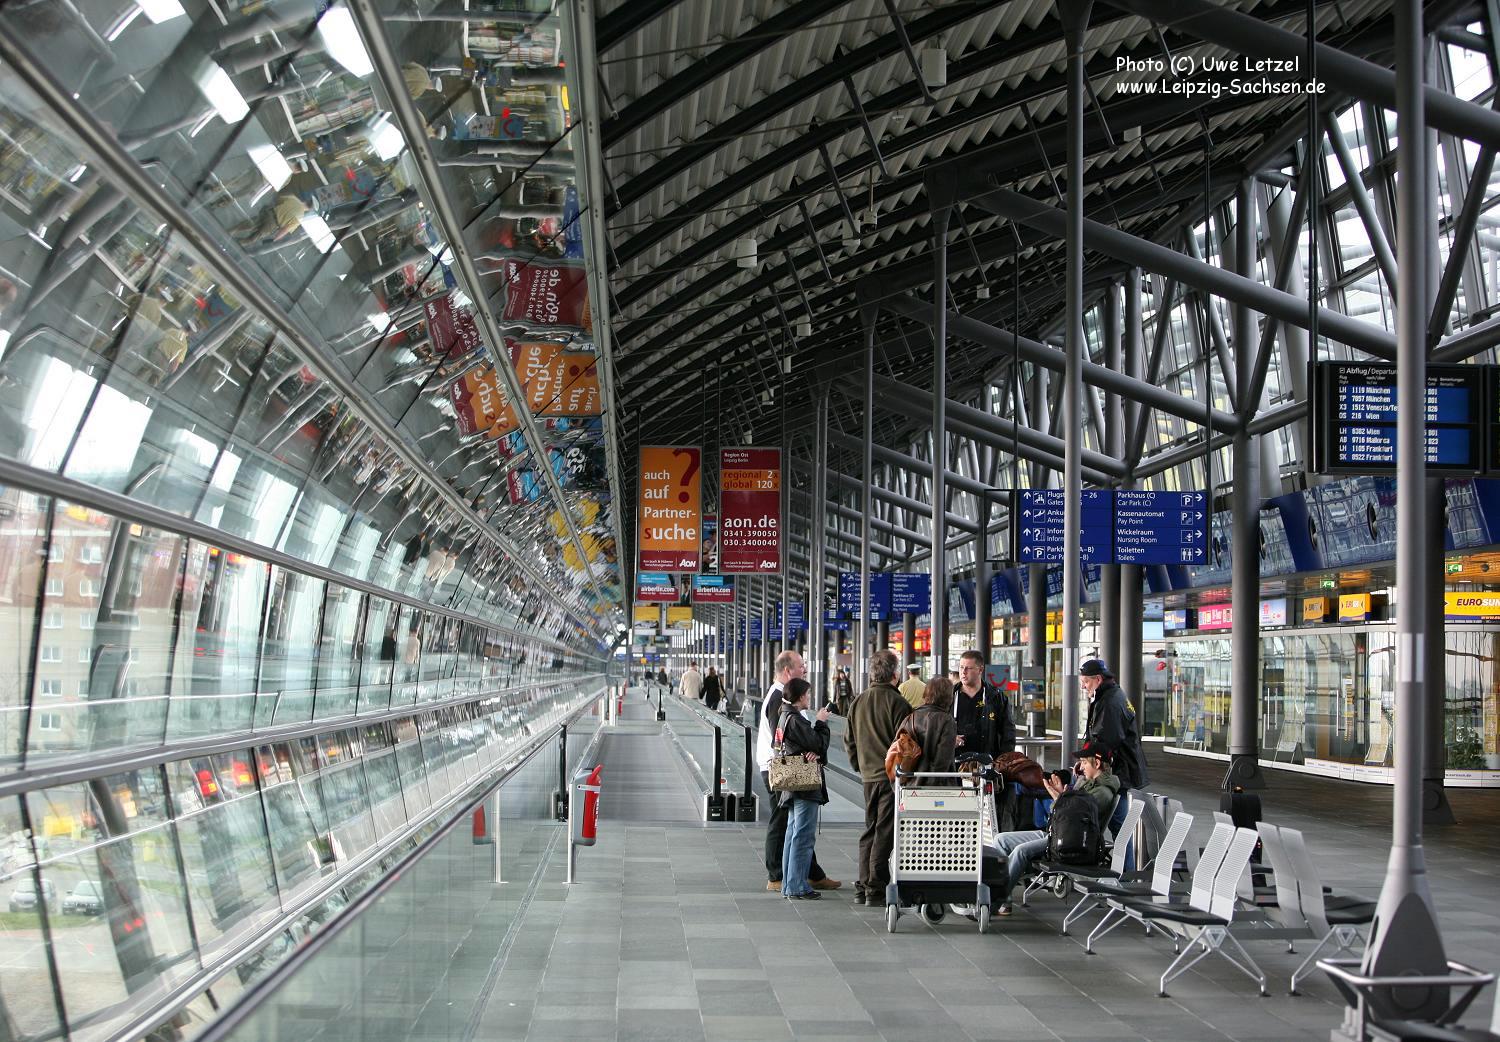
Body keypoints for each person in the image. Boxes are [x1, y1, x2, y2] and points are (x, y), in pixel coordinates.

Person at [990, 739, 1121, 915]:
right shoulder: (1086, 784)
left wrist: (1058, 797)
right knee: (1001, 839)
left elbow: (1072, 818)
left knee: (1021, 851)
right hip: (1055, 832)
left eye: (1083, 762)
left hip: (1069, 841)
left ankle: (995, 899)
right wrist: (1064, 793)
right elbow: (1067, 810)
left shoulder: (1102, 793)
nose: (1080, 767)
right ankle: (1004, 898)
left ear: (1097, 763)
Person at [755, 651, 839, 892]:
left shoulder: (785, 698)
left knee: (797, 825)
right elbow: (782, 738)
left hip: (788, 767)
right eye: (801, 666)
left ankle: (810, 873)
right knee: (784, 824)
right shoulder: (778, 699)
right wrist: (807, 747)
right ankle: (777, 875)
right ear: (787, 671)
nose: (805, 669)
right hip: (782, 770)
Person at [843, 649, 912, 907]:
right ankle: (875, 887)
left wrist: (859, 766)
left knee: (870, 829)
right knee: (884, 831)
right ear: (895, 675)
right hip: (889, 778)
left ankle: (862, 886)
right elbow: (904, 745)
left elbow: (848, 740)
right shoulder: (899, 704)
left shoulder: (857, 701)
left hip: (868, 778)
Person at [776, 678, 831, 900]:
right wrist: (821, 723)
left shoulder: (784, 716)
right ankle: (797, 885)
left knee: (792, 832)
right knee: (803, 836)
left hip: (792, 781)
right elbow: (818, 743)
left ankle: (790, 884)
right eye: (807, 695)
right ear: (800, 697)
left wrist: (812, 751)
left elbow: (808, 747)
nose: (809, 698)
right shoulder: (796, 719)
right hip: (804, 784)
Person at [1080, 659, 1150, 790]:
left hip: (1121, 773)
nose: (1083, 687)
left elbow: (1105, 741)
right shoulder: (1111, 695)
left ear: (1098, 680)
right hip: (1125, 770)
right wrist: (1085, 760)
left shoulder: (1109, 702)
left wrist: (1087, 762)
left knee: (1117, 808)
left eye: (1086, 682)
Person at [953, 650, 1016, 759]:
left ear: (980, 670)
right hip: (955, 762)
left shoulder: (996, 697)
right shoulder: (950, 696)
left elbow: (1008, 732)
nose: (963, 672)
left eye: (969, 668)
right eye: (961, 667)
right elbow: (936, 728)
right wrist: (949, 739)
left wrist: (1002, 760)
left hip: (987, 761)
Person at [903, 677, 957, 779]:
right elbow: (942, 761)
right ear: (948, 697)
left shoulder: (911, 717)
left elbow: (897, 748)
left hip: (910, 783)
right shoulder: (947, 721)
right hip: (936, 787)